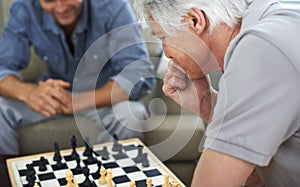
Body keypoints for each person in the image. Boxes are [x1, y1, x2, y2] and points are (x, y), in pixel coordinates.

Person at [134, 0, 300, 186]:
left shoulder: (261, 47)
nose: (166, 52)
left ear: (195, 20)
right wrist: (206, 103)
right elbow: (253, 176)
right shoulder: (266, 22)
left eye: (163, 37)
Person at [0, 0, 155, 154]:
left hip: (103, 98)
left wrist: (76, 102)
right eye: (49, 1)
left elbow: (138, 72)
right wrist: (29, 93)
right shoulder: (24, 9)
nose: (60, 8)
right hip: (55, 99)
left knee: (132, 114)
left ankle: (111, 176)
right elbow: (3, 66)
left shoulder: (114, 6)